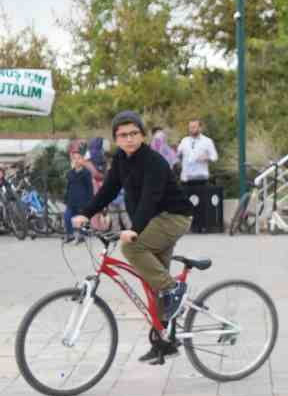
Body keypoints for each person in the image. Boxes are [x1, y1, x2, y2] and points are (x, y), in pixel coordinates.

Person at [72, 111, 195, 362]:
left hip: (174, 216)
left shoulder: (153, 161)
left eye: (133, 133)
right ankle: (165, 342)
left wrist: (135, 230)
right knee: (152, 280)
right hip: (153, 220)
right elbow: (108, 190)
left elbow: (150, 198)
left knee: (133, 250)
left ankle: (174, 288)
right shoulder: (120, 160)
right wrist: (85, 213)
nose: (128, 139)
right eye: (122, 135)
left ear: (142, 135)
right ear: (116, 139)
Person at [175, 119, 218, 232]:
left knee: (201, 203)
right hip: (186, 177)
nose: (192, 129)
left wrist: (206, 157)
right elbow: (178, 154)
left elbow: (214, 157)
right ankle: (187, 226)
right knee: (186, 203)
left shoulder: (207, 141)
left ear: (200, 128)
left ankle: (201, 226)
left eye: (194, 127)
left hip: (200, 177)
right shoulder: (185, 141)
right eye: (190, 127)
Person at [63, 149, 95, 242]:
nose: (76, 160)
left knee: (83, 218)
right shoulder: (70, 173)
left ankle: (83, 235)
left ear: (82, 160)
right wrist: (66, 198)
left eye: (79, 158)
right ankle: (70, 235)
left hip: (83, 200)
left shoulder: (86, 173)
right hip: (71, 200)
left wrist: (90, 200)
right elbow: (68, 187)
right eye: (74, 158)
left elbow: (90, 187)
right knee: (67, 217)